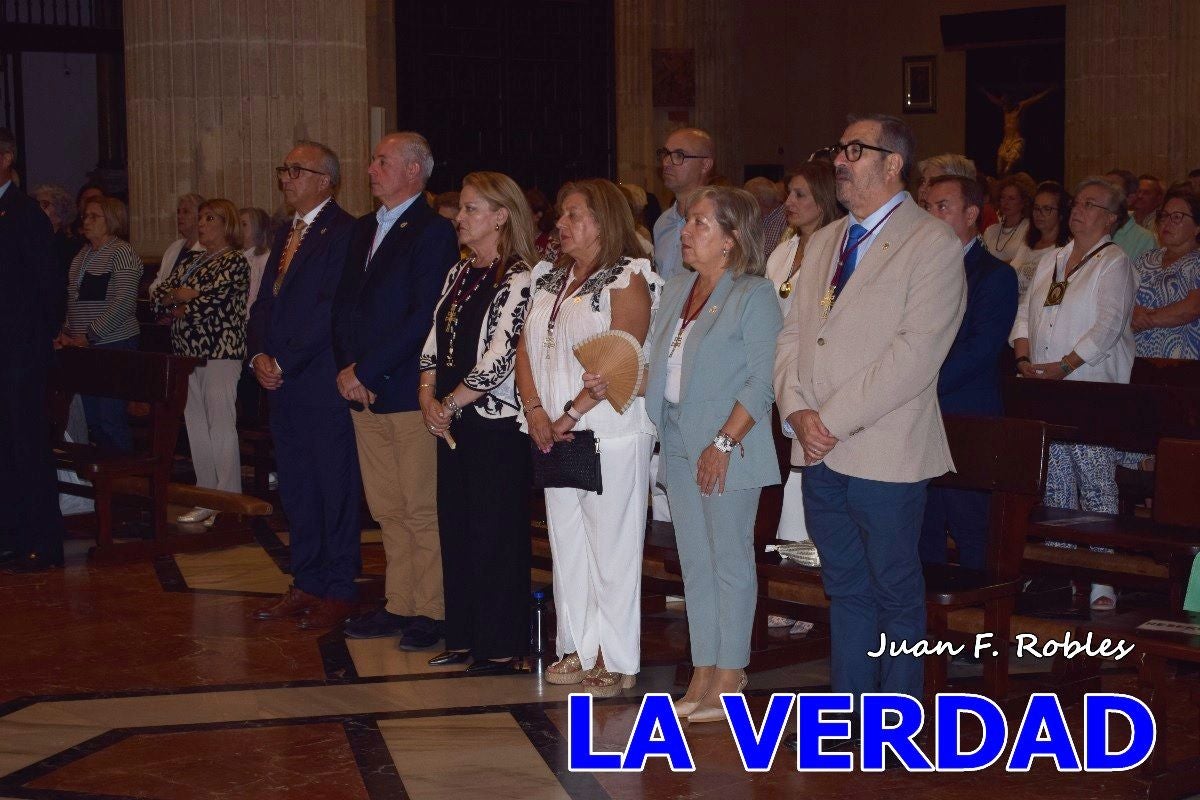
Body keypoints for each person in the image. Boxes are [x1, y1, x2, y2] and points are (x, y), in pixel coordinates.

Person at [774, 114, 965, 713]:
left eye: (855, 150)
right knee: (845, 588)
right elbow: (793, 336)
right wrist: (797, 410)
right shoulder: (828, 241)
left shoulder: (931, 243)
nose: (839, 160)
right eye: (839, 148)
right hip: (817, 447)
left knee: (893, 591)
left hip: (885, 448)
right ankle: (850, 709)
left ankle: (896, 717)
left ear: (892, 163)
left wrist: (827, 419)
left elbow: (915, 355)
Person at [636, 186, 780, 722]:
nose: (688, 232)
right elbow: (662, 363)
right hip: (676, 437)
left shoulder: (754, 295)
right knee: (694, 562)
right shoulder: (677, 288)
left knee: (730, 561)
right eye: (689, 222)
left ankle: (730, 674)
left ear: (732, 238)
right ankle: (701, 670)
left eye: (700, 223)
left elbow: (762, 381)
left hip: (729, 442)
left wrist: (723, 442)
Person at [514, 178, 661, 696]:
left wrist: (571, 414)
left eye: (574, 215)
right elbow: (526, 350)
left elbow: (622, 357)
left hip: (610, 432)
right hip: (553, 431)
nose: (561, 224)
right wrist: (534, 411)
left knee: (612, 549)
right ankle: (575, 645)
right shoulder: (550, 278)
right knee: (567, 545)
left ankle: (618, 658)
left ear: (604, 220)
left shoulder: (627, 277)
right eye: (561, 215)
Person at [333, 132, 459, 649]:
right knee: (386, 507)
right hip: (363, 388)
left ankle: (430, 609)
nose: (370, 169)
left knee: (418, 507)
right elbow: (343, 307)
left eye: (381, 160)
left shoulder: (432, 231)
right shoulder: (364, 228)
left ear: (413, 170)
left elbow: (423, 314)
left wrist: (370, 371)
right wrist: (347, 368)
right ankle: (398, 602)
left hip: (406, 388)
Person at [418, 171, 537, 673]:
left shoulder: (522, 276)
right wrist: (427, 394)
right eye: (461, 209)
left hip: (494, 426)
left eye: (470, 209)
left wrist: (448, 403)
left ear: (501, 216)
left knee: (495, 534)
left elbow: (498, 360)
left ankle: (501, 644)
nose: (459, 218)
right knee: (457, 528)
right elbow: (432, 340)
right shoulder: (459, 272)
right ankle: (464, 635)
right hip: (453, 422)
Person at [248, 140, 361, 630]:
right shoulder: (284, 232)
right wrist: (257, 354)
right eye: (284, 169)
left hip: (318, 380)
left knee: (332, 486)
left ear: (325, 180)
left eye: (296, 170)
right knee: (295, 488)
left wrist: (285, 359)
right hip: (282, 383)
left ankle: (338, 588)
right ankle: (307, 580)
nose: (286, 178)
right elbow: (265, 304)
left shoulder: (345, 231)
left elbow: (329, 308)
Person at [1010, 177, 1136, 612]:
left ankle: (1103, 578)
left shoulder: (1114, 262)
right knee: (1057, 482)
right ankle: (1061, 574)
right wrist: (1023, 358)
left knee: (1096, 482)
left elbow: (1108, 326)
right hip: (1047, 388)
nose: (1079, 210)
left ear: (1113, 218)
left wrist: (1063, 367)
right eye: (1077, 202)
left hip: (1091, 388)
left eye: (1091, 204)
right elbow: (1026, 313)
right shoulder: (1054, 257)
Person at [918, 175, 1018, 571]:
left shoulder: (994, 275)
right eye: (927, 206)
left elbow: (980, 349)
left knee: (970, 524)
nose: (931, 214)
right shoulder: (918, 272)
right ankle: (924, 625)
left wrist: (917, 383)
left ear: (972, 213)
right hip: (922, 415)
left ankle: (983, 626)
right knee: (923, 524)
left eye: (942, 206)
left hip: (965, 413)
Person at [763, 159, 842, 630]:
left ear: (824, 199)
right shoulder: (783, 250)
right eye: (788, 194)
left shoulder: (837, 249)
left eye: (799, 195)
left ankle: (808, 596)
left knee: (806, 485)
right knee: (785, 487)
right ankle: (787, 587)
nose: (788, 204)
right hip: (780, 378)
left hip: (816, 381)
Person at [151, 199, 250, 525]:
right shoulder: (192, 260)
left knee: (220, 425)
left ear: (227, 224)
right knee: (195, 425)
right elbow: (158, 296)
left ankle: (227, 498)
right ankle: (205, 494)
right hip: (186, 353)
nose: (202, 224)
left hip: (219, 352)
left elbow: (213, 303)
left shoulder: (234, 261)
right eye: (203, 217)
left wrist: (182, 298)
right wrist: (179, 297)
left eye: (210, 218)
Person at [0, 128, 66, 573]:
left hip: (18, 353)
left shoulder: (24, 214)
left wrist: (34, 344)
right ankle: (9, 535)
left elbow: (48, 288)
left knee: (25, 444)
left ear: (6, 157)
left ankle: (40, 542)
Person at [59, 196, 142, 452]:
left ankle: (125, 480)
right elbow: (72, 298)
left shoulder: (122, 252)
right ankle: (104, 481)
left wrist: (90, 334)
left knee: (110, 418)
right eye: (85, 216)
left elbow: (124, 303)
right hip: (84, 346)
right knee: (93, 419)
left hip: (113, 344)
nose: (86, 221)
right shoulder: (82, 255)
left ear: (113, 220)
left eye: (94, 216)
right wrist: (66, 330)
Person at [1130, 188, 1200, 359]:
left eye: (1176, 217)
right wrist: (1129, 312)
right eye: (1164, 216)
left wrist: (1143, 318)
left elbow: (1193, 307)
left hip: (1183, 365)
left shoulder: (1197, 261)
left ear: (1197, 227)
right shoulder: (1146, 259)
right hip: (1133, 359)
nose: (1166, 223)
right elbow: (1118, 298)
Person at [653, 127, 714, 281]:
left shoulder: (719, 222)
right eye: (665, 154)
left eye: (679, 155)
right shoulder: (662, 223)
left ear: (705, 165)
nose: (666, 162)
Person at [1010, 181, 1071, 298]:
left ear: (1061, 214)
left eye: (1047, 209)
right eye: (1036, 208)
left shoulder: (1064, 249)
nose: (1039, 213)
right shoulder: (1027, 242)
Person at [33, 183, 80, 328]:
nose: (36, 209)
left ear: (60, 215)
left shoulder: (70, 247)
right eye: (35, 204)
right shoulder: (28, 243)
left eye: (44, 204)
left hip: (57, 318)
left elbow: (65, 288)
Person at [148, 194, 205, 297]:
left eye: (186, 212)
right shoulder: (174, 247)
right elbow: (157, 282)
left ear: (200, 216)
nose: (179, 216)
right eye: (178, 212)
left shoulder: (206, 250)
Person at [982, 175, 1031, 263]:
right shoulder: (990, 230)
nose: (1006, 202)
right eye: (1003, 197)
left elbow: (1023, 262)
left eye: (1011, 198)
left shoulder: (1029, 228)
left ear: (1023, 202)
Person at [239, 207, 273, 318]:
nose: (238, 228)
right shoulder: (238, 257)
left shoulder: (265, 259)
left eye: (244, 224)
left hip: (252, 319)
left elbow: (260, 296)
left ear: (258, 228)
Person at [744, 176, 787, 258]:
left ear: (759, 200)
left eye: (748, 201)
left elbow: (779, 257)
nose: (746, 205)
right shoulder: (761, 218)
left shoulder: (786, 219)